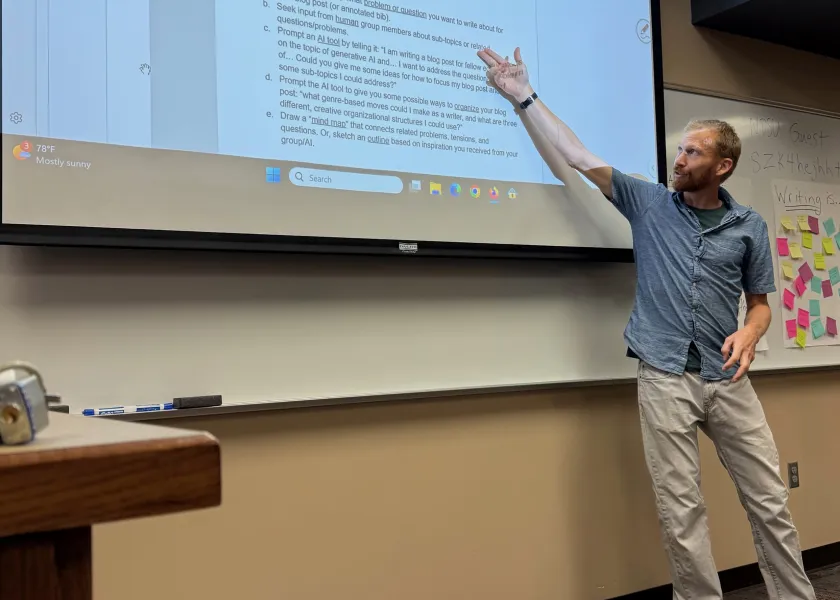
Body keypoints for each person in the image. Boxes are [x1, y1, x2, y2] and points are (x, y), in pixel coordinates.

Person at [477, 47, 816, 600]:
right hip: (664, 377)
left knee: (770, 502)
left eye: (692, 152)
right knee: (682, 513)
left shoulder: (748, 226)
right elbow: (576, 154)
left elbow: (760, 304)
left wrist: (751, 333)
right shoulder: (648, 202)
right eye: (679, 149)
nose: (678, 160)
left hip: (728, 379)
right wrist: (523, 95)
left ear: (722, 166)